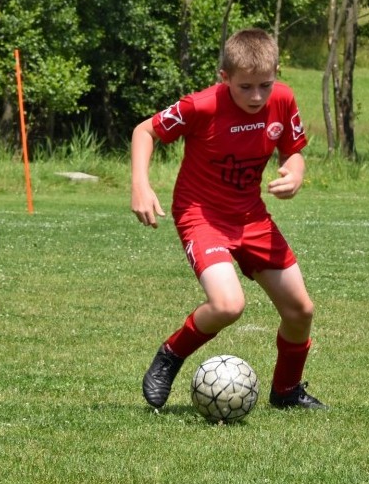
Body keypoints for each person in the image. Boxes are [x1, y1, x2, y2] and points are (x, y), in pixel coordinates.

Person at [131, 28, 326, 411]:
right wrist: (140, 184)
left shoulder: (283, 99)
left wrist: (296, 171)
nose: (256, 96)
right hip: (201, 216)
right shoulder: (201, 105)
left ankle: (286, 392)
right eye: (245, 86)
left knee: (300, 310)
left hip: (251, 216)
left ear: (277, 73)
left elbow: (293, 151)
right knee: (228, 304)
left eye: (265, 85)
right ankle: (171, 354)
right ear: (224, 77)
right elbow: (145, 131)